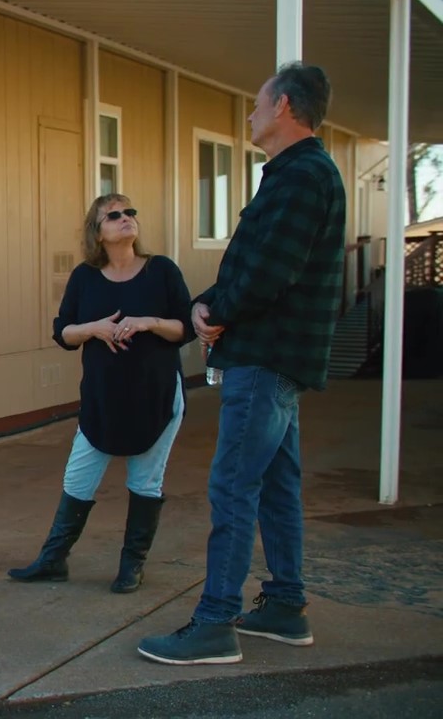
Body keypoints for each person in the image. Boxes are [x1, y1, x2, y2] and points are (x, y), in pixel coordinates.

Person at [138, 62, 346, 665]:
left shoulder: (301, 177)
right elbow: (265, 267)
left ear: (284, 108)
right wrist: (212, 304)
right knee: (277, 484)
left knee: (233, 485)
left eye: (257, 105)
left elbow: (269, 271)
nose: (250, 115)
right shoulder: (302, 174)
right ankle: (284, 605)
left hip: (265, 357)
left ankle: (214, 622)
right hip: (276, 356)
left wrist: (213, 309)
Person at [7, 194, 194, 593]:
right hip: (102, 398)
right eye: (114, 215)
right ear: (98, 231)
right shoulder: (85, 277)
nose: (126, 218)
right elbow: (63, 332)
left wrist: (148, 322)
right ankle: (53, 559)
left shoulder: (161, 271)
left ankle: (132, 566)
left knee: (146, 480)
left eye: (130, 212)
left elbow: (185, 328)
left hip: (155, 395)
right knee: (78, 477)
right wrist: (94, 328)